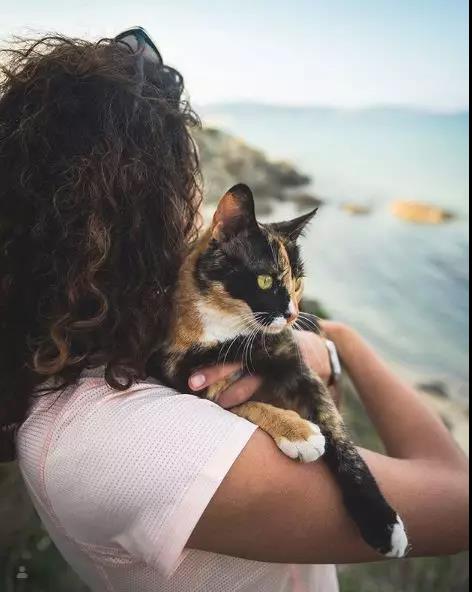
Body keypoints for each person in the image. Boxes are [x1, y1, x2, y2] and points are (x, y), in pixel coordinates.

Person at [0, 31, 468, 592]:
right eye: (185, 191)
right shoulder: (126, 442)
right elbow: (457, 501)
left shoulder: (104, 350)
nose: (199, 222)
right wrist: (344, 342)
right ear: (143, 227)